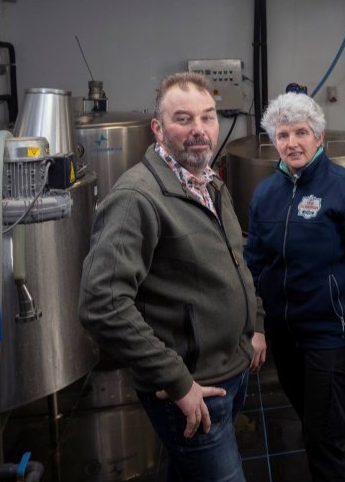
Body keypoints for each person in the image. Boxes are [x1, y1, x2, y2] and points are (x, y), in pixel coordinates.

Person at [78, 72, 266, 482]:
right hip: (191, 387)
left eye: (208, 117)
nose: (199, 130)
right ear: (158, 129)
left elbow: (237, 258)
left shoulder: (210, 181)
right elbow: (102, 304)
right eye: (183, 119)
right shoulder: (136, 198)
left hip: (230, 369)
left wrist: (256, 326)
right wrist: (177, 381)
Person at [244, 92, 345, 482]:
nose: (292, 142)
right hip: (285, 337)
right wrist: (256, 326)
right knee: (314, 426)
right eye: (283, 134)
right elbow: (253, 264)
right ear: (274, 140)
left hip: (333, 337)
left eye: (301, 132)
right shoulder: (265, 194)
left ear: (319, 137)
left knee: (326, 441)